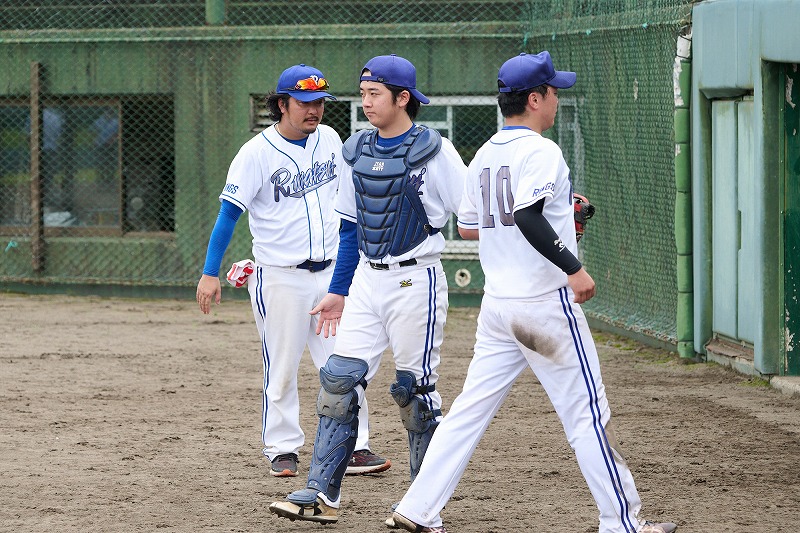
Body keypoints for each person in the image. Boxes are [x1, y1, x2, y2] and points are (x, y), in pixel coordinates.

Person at [386, 51, 678, 533]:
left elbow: (472, 227)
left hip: (498, 306)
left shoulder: (485, 152)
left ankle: (417, 508)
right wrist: (573, 266)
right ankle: (622, 524)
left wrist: (557, 218)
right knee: (587, 416)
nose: (557, 99)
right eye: (553, 91)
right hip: (545, 306)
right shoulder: (542, 151)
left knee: (468, 412)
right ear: (535, 99)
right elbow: (525, 215)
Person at [268, 54, 467, 524]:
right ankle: (321, 495)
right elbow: (350, 228)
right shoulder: (355, 151)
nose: (366, 102)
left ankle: (423, 507)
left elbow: (474, 216)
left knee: (414, 392)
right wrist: (338, 290)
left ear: (403, 98)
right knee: (338, 381)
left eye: (375, 93)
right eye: (363, 93)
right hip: (365, 281)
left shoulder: (436, 151)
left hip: (416, 279)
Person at [195, 63, 390, 480]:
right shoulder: (255, 153)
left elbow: (349, 203)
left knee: (344, 362)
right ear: (282, 105)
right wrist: (210, 273)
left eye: (319, 102)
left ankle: (354, 445)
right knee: (282, 365)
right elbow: (228, 215)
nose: (314, 109)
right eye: (304, 102)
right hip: (281, 276)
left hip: (333, 274)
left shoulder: (330, 139)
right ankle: (283, 449)